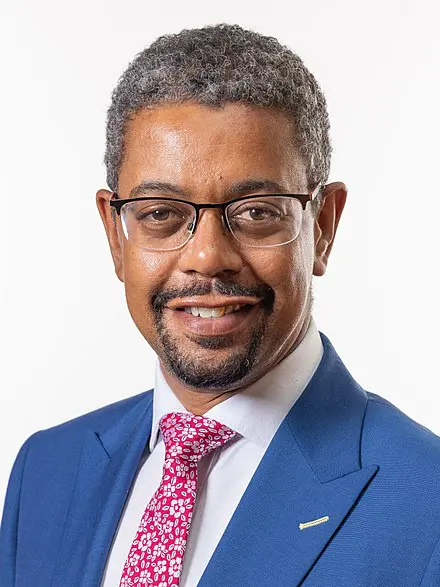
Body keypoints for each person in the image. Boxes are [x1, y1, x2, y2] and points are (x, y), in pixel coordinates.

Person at [1, 23, 440, 587]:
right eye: (161, 212)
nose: (207, 258)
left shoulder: (426, 504)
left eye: (257, 211)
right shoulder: (44, 471)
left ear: (323, 227)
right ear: (115, 235)